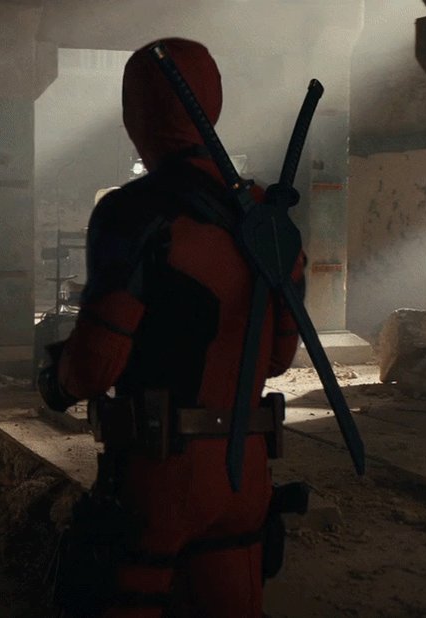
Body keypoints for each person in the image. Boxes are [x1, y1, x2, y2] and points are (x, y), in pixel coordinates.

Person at [38, 38, 305, 616]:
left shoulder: (134, 211)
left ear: (133, 115)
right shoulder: (268, 216)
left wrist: (54, 379)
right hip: (246, 470)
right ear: (215, 103)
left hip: (162, 473)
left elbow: (95, 366)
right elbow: (279, 357)